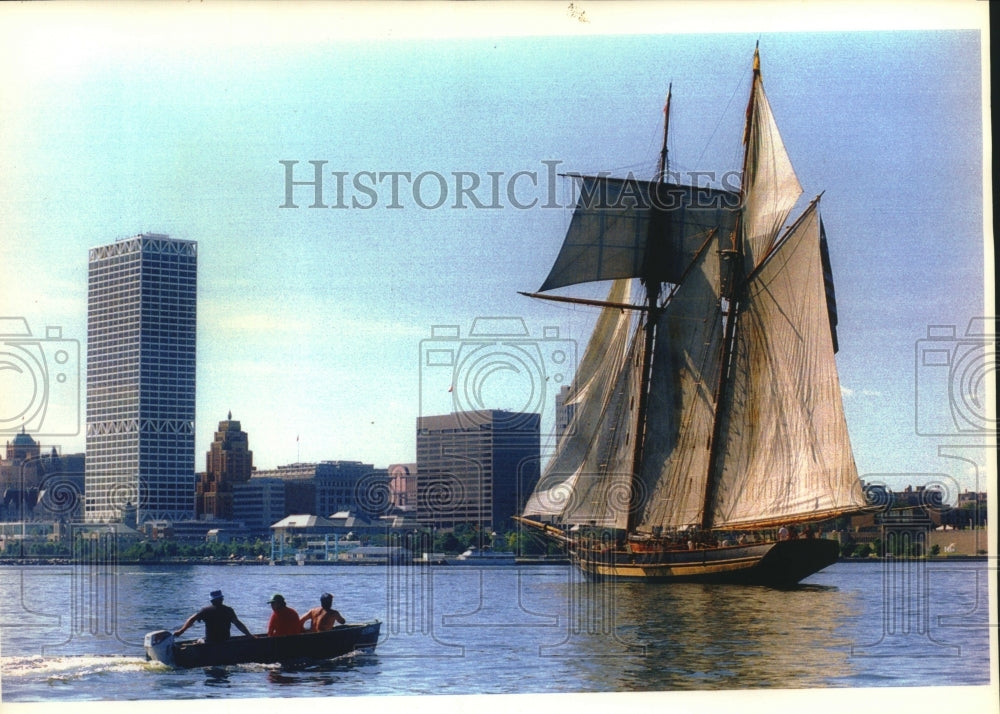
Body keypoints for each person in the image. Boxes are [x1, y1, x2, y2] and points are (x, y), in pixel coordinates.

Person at [174, 589, 256, 643]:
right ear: (222, 599)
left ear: (211, 600)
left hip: (210, 641)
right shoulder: (228, 610)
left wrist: (181, 631)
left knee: (199, 640)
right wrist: (249, 635)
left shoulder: (205, 610)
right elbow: (238, 624)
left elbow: (192, 619)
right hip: (225, 640)